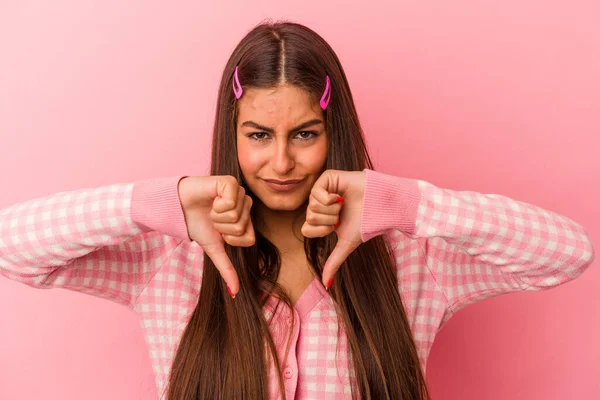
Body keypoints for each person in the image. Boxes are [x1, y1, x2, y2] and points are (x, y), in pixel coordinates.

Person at [0, 21, 595, 400]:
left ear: (331, 132)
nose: (280, 162)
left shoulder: (414, 263)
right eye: (258, 135)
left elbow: (566, 254)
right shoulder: (168, 263)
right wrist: (162, 202)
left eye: (304, 134)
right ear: (230, 136)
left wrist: (410, 203)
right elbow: (13, 247)